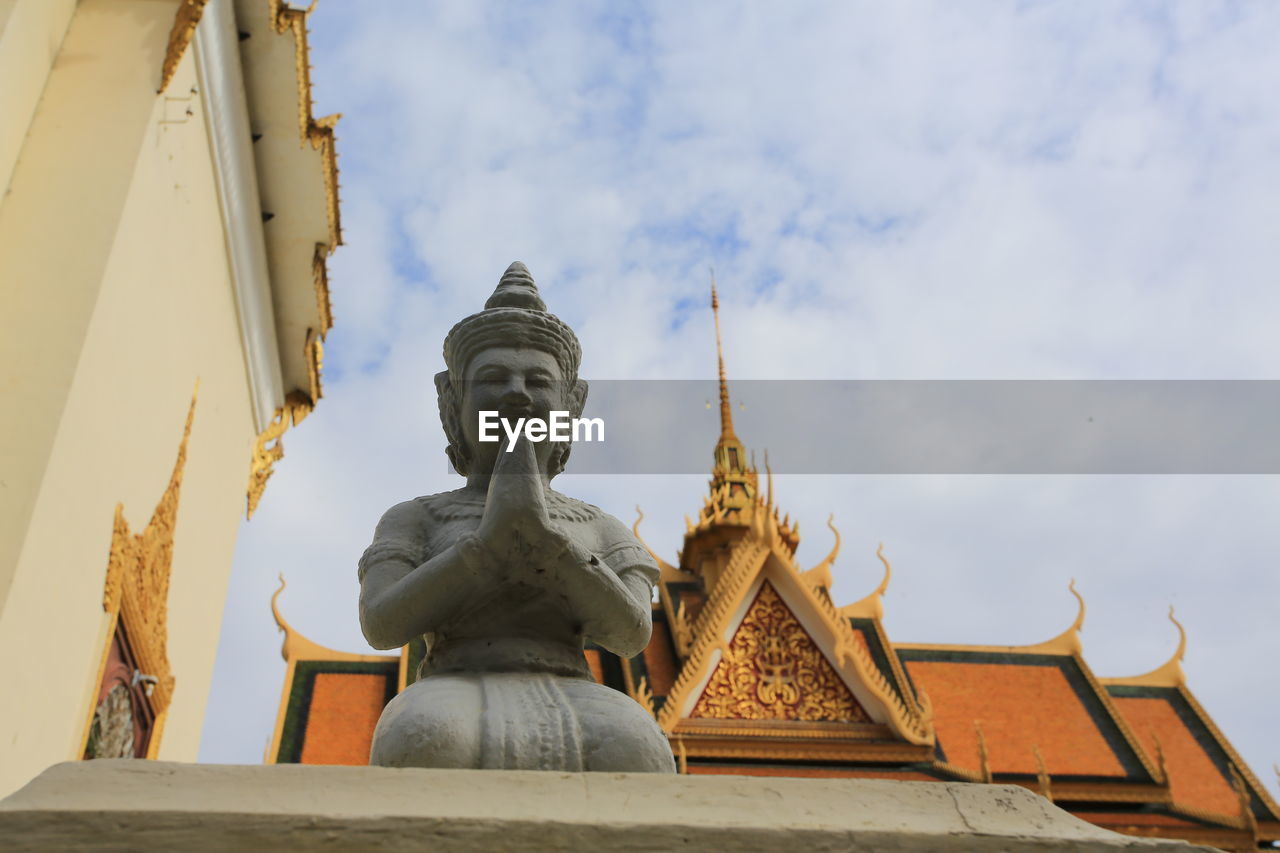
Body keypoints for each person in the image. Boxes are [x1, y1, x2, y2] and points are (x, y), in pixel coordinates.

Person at [358, 262, 675, 772]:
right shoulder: (417, 516)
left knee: (636, 749)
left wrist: (551, 546)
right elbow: (382, 623)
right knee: (424, 738)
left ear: (571, 406)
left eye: (537, 381)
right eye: (492, 378)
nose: (517, 394)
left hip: (577, 688)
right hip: (451, 682)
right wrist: (484, 548)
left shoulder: (598, 526)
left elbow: (631, 632)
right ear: (454, 401)